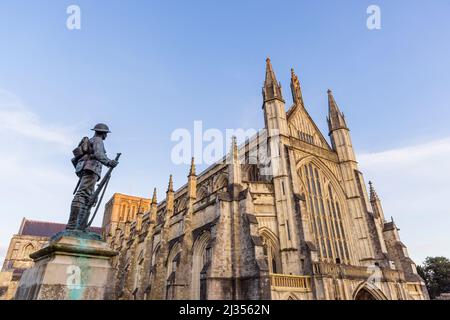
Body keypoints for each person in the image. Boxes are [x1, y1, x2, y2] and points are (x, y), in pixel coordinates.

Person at [66, 123, 119, 231]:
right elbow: (99, 154)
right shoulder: (97, 140)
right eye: (106, 134)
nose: (106, 136)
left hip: (88, 169)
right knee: (82, 195)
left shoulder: (92, 140)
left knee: (88, 198)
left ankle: (81, 226)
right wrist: (109, 162)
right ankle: (72, 225)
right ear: (103, 133)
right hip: (91, 168)